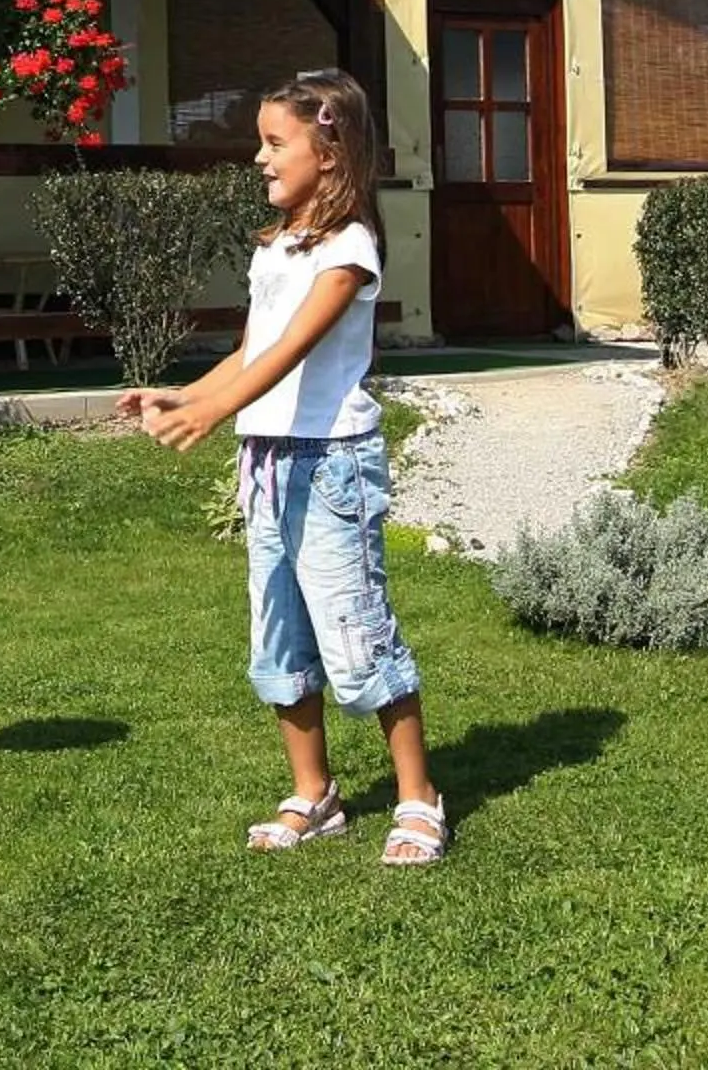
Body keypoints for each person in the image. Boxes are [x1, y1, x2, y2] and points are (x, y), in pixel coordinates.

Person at [121, 67, 446, 866]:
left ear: (329, 151)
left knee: (358, 636)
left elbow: (298, 346)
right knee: (280, 638)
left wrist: (213, 412)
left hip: (331, 466)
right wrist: (185, 393)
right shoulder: (281, 246)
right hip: (267, 463)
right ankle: (315, 793)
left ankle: (418, 797)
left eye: (275, 143)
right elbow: (254, 350)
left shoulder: (350, 247)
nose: (260, 160)